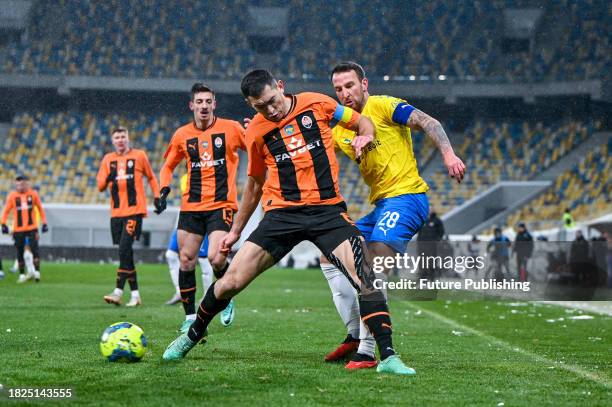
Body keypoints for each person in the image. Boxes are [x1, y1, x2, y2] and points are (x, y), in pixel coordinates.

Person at [163, 69, 417, 375]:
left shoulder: (315, 103)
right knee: (230, 281)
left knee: (366, 274)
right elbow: (255, 184)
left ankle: (387, 356)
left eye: (272, 101)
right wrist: (235, 232)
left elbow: (360, 120)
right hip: (282, 216)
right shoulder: (256, 131)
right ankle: (192, 334)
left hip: (327, 212)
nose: (270, 110)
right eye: (260, 107)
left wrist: (366, 135)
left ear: (280, 87)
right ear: (251, 105)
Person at [321, 62, 465, 369]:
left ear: (364, 84)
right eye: (338, 88)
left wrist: (448, 154)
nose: (344, 93)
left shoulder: (384, 106)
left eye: (349, 85)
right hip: (381, 206)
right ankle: (352, 336)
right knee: (328, 254)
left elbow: (427, 121)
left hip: (407, 198)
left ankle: (367, 350)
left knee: (373, 265)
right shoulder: (339, 128)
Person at [155, 83, 245, 333]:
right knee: (186, 260)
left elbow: (256, 148)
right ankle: (189, 317)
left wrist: (257, 131)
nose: (204, 106)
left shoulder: (232, 129)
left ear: (214, 104)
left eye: (208, 101)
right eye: (199, 102)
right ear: (191, 105)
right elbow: (167, 167)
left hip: (221, 204)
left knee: (217, 258)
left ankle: (226, 295)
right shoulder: (182, 134)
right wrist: (163, 189)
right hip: (191, 206)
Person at [96, 127, 160, 307]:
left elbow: (151, 177)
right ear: (113, 141)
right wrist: (109, 176)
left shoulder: (139, 155)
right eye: (117, 137)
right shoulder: (108, 160)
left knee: (124, 248)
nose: (120, 140)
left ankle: (117, 291)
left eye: (123, 136)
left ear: (128, 139)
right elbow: (100, 186)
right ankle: (135, 295)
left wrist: (157, 196)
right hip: (116, 214)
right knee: (126, 254)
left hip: (134, 211)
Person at [1, 175, 47, 283]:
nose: (19, 186)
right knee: (19, 252)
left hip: (32, 228)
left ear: (27, 184)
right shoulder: (12, 196)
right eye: (17, 184)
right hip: (18, 230)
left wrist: (44, 223)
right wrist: (3, 223)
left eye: (22, 184)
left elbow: (40, 209)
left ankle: (37, 272)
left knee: (35, 250)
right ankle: (22, 274)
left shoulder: (33, 194)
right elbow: (6, 210)